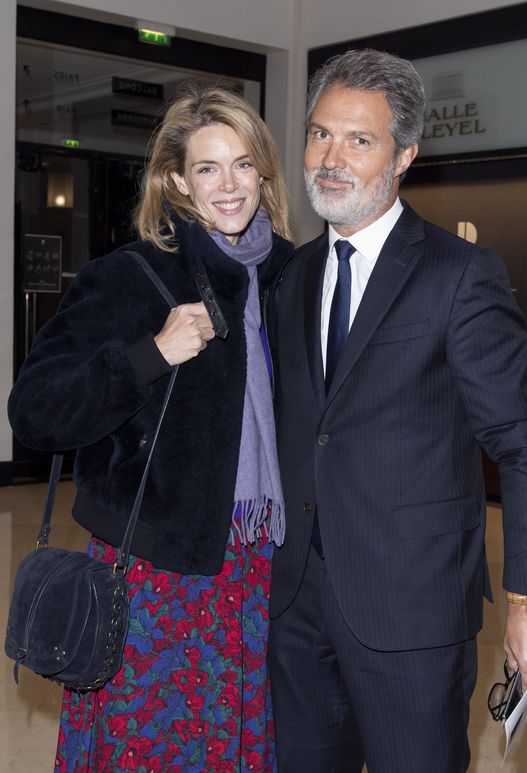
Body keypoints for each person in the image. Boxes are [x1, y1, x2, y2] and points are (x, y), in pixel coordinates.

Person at [267, 48, 527, 772]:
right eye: (320, 134)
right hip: (296, 601)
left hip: (413, 610)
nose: (330, 158)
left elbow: (525, 443)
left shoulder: (459, 275)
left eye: (359, 140)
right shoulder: (292, 274)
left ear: (403, 155)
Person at [8, 82, 293, 772]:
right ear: (175, 180)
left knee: (239, 737)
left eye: (243, 164)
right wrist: (148, 356)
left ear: (263, 171)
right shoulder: (131, 276)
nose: (229, 185)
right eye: (206, 168)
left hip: (258, 567)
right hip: (157, 573)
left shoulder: (291, 276)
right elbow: (35, 408)